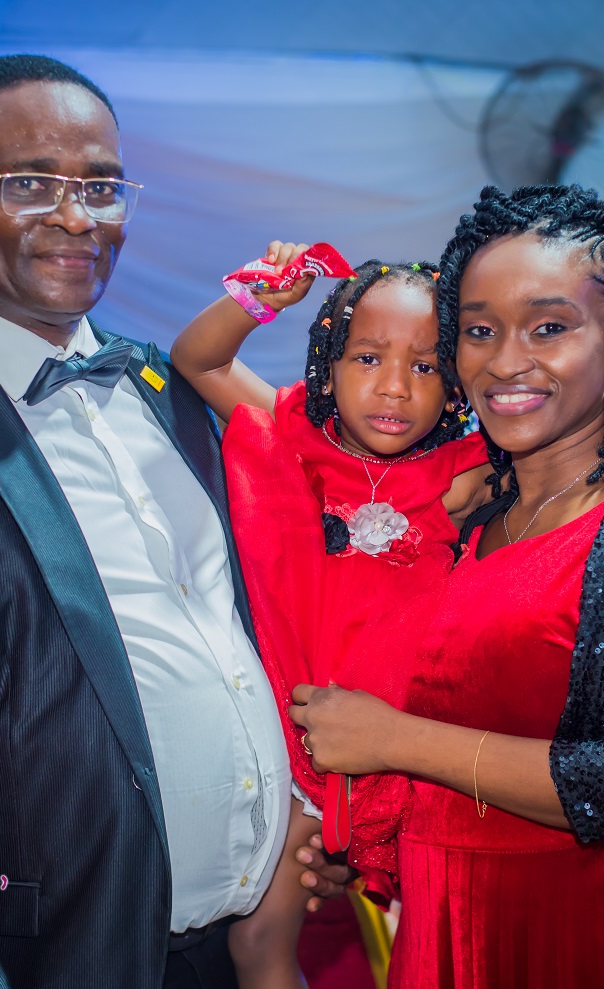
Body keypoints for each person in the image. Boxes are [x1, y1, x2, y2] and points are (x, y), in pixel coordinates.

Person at [0, 55, 345, 989]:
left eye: (102, 187)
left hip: (239, 952)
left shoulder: (167, 387)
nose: (79, 217)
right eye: (31, 183)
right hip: (52, 959)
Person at [289, 184, 604, 988]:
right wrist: (366, 838)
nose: (504, 361)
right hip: (445, 924)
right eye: (478, 331)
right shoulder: (464, 518)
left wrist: (390, 739)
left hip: (593, 931)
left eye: (548, 327)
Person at [171, 246, 492, 988]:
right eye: (368, 357)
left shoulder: (466, 474)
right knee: (259, 943)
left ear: (455, 384)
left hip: (416, 760)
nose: (393, 386)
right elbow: (198, 359)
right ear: (327, 364)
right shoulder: (291, 437)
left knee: (447, 949)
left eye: (424, 366)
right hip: (295, 749)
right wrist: (261, 297)